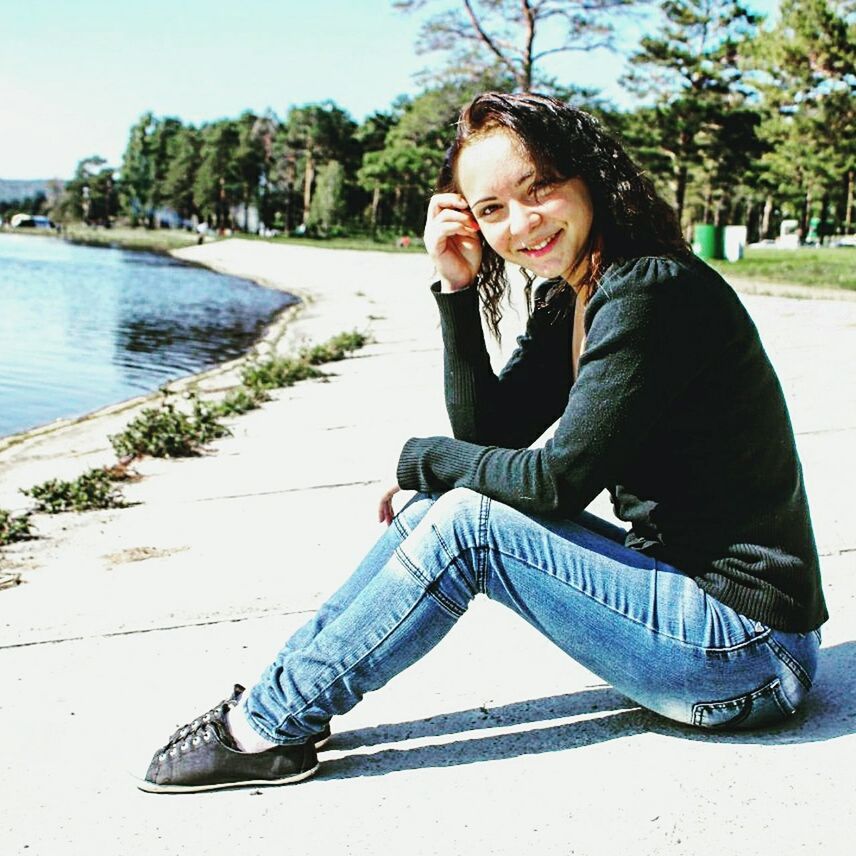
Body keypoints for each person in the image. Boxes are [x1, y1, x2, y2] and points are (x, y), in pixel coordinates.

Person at [139, 92, 827, 794]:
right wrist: (457, 286)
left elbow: (556, 481)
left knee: (466, 524)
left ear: (588, 176)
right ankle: (283, 704)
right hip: (700, 619)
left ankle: (262, 728)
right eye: (492, 209)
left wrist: (419, 459)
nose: (522, 224)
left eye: (540, 189)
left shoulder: (651, 289)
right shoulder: (576, 292)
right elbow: (490, 436)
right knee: (439, 509)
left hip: (749, 653)